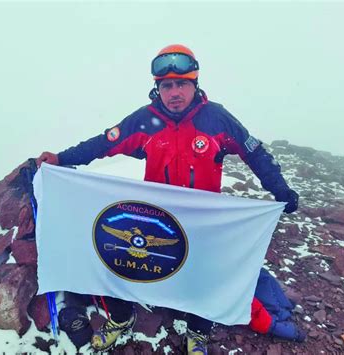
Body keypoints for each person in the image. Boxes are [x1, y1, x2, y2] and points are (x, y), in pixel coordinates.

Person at [37, 44, 302, 354]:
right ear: (157, 89)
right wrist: (61, 158)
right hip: (155, 219)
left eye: (182, 84)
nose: (175, 92)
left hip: (203, 220)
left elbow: (254, 152)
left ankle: (197, 332)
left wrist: (280, 189)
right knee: (118, 261)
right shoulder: (144, 120)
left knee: (205, 275)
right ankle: (121, 318)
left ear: (195, 84)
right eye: (167, 85)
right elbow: (102, 143)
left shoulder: (216, 119)